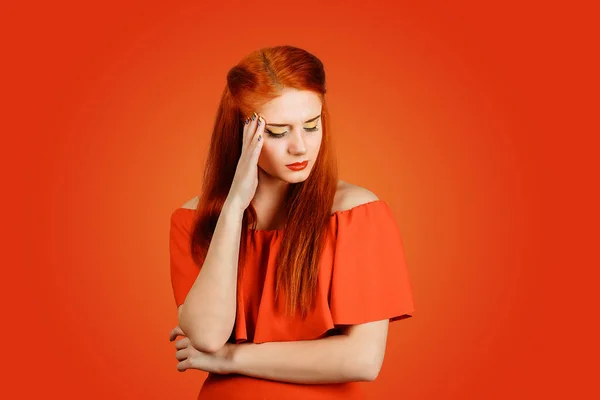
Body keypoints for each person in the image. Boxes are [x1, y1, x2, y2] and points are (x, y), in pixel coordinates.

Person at [168, 45, 415, 400]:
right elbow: (206, 335)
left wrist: (230, 357)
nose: (300, 147)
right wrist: (234, 206)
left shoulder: (356, 214)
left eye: (311, 126)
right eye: (278, 132)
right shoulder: (193, 220)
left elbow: (361, 360)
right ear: (239, 134)